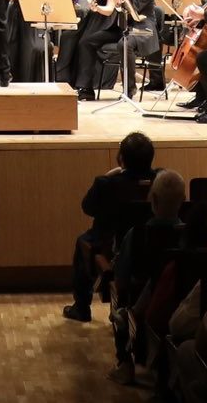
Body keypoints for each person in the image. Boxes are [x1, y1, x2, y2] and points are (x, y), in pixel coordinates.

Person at [65, 131, 159, 323]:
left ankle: (81, 307)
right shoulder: (160, 180)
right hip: (150, 241)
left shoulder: (107, 183)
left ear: (121, 158)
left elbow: (88, 207)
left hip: (110, 244)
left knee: (82, 242)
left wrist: (108, 176)